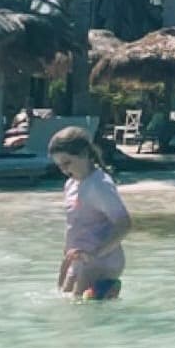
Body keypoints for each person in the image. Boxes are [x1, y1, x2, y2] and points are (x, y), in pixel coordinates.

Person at [50, 126, 129, 301]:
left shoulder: (99, 184)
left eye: (67, 163)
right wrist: (66, 258)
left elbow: (124, 224)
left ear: (85, 154)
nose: (63, 170)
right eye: (59, 166)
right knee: (64, 298)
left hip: (100, 259)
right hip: (79, 258)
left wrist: (97, 254)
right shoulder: (71, 185)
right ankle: (105, 292)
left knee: (80, 308)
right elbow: (74, 224)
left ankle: (107, 288)